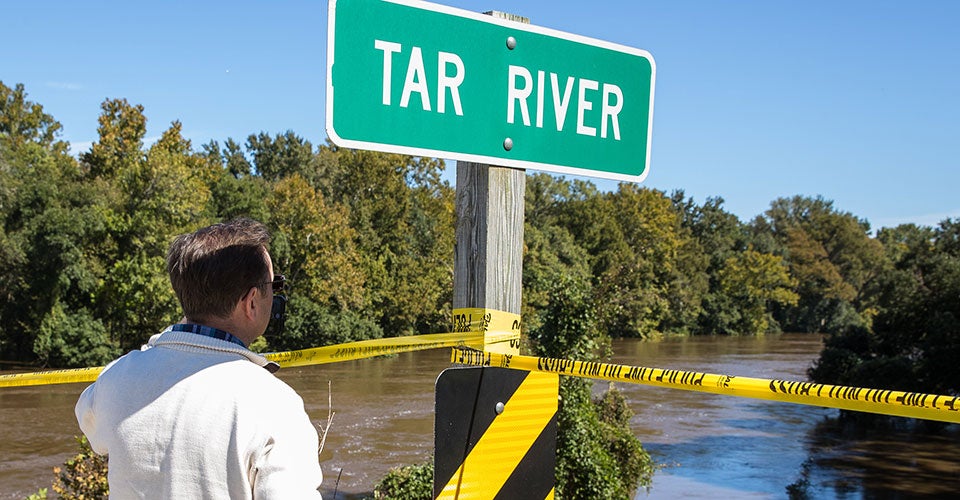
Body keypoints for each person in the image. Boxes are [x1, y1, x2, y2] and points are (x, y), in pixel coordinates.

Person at [75, 218, 323, 499]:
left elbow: (91, 423)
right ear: (252, 301)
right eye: (274, 284)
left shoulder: (114, 378)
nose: (276, 293)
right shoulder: (276, 405)